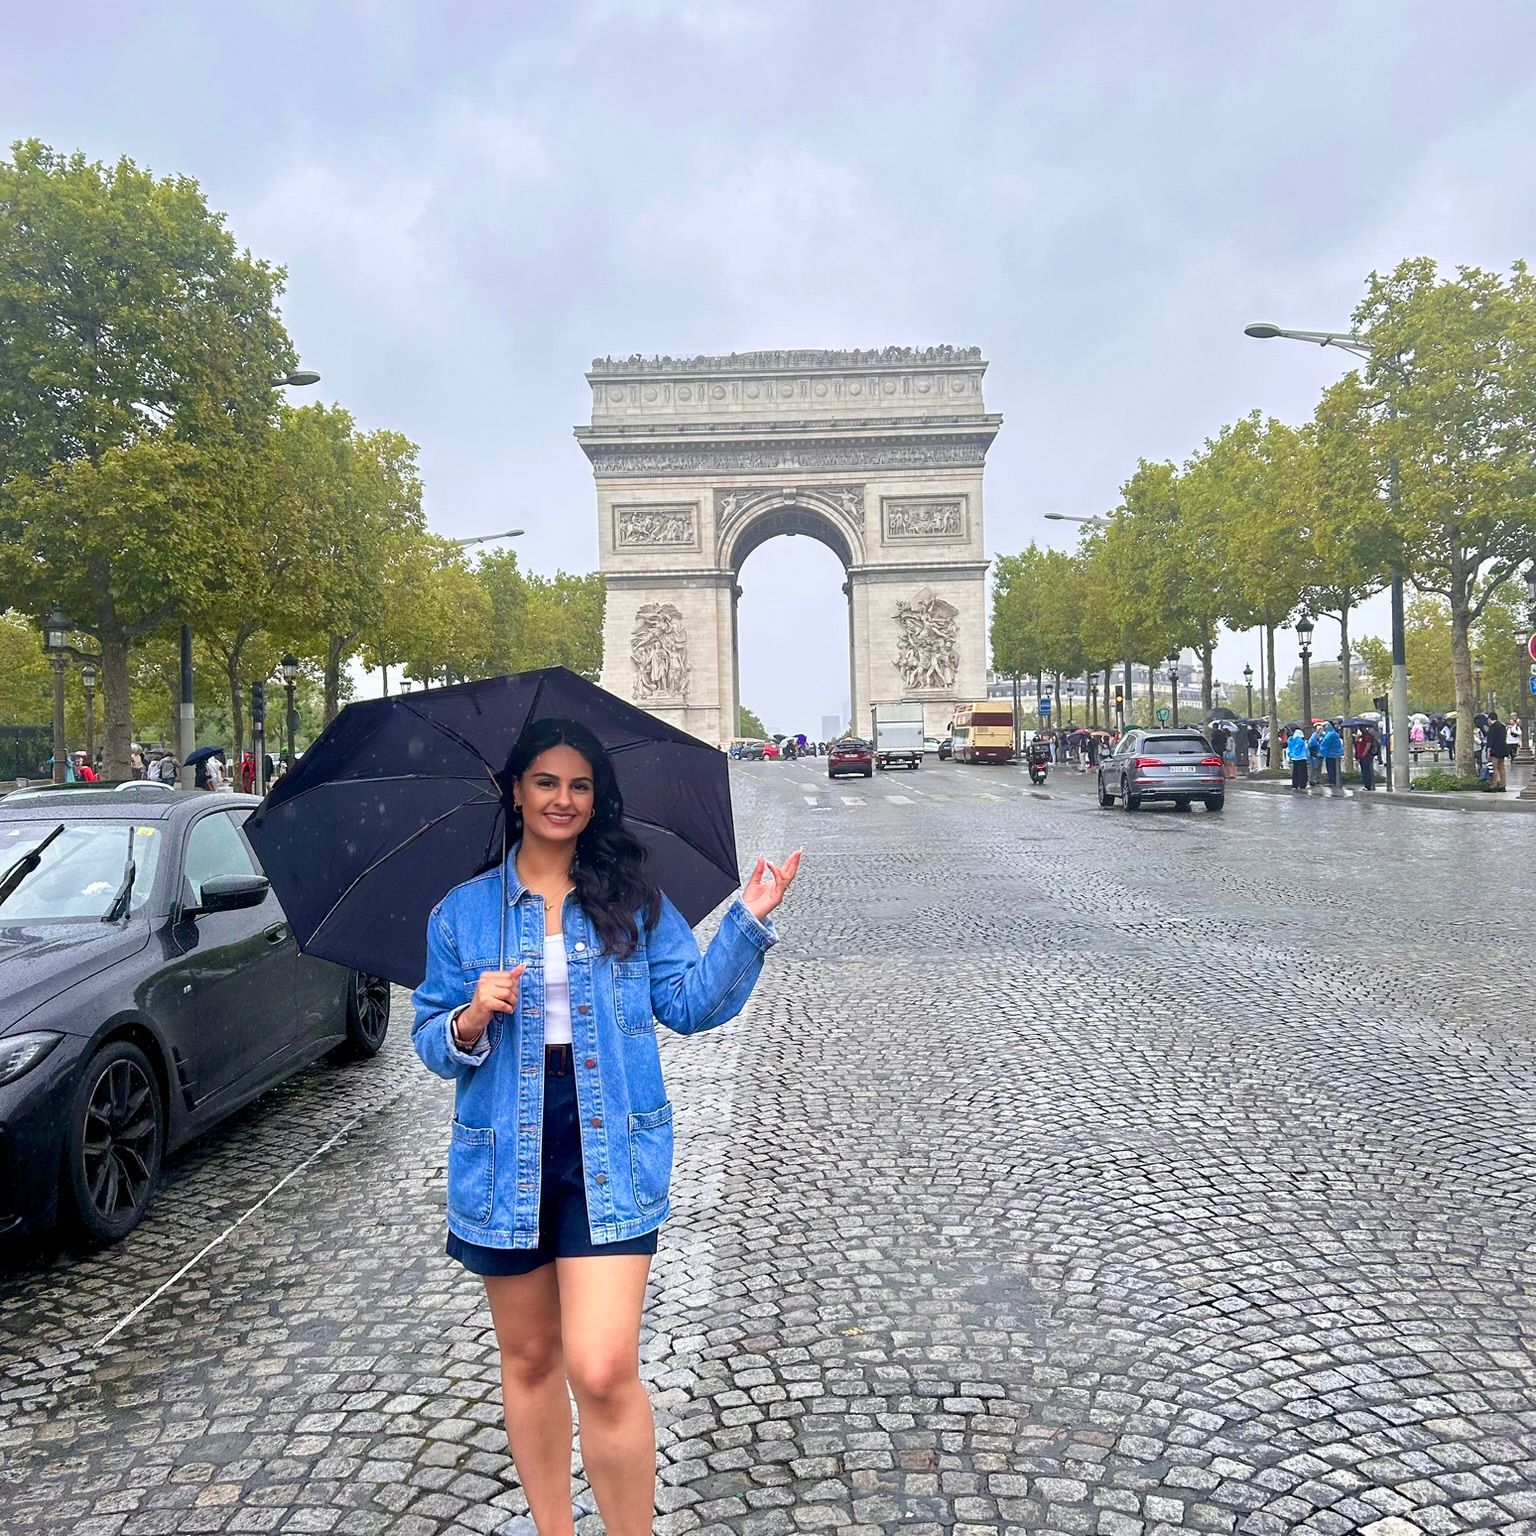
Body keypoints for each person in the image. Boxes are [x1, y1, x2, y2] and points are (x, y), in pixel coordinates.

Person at [411, 718, 801, 1536]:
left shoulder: (634, 900)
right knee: (529, 1360)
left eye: (580, 785)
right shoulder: (461, 914)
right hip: (504, 1152)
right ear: (516, 791)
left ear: (597, 799)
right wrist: (470, 1018)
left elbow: (688, 1005)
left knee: (602, 1365)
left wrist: (748, 920)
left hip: (610, 1144)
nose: (563, 799)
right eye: (547, 782)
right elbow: (430, 1042)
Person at [1486, 710, 1508, 792]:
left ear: (1489, 719)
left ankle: (1493, 785)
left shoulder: (1492, 727)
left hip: (1495, 750)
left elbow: (1490, 740)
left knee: (1494, 768)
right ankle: (1503, 785)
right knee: (1501, 767)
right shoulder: (1502, 726)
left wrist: (1488, 751)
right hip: (1503, 749)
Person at [1319, 721, 1344, 788]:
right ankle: (1335, 781)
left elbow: (1324, 744)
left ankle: (1332, 781)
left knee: (1331, 769)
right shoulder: (1333, 733)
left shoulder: (1330, 735)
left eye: (1324, 726)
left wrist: (1321, 753)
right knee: (1334, 768)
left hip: (1331, 754)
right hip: (1335, 754)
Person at [1354, 724, 1377, 791]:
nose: (1361, 729)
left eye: (1362, 728)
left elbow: (1368, 745)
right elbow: (1358, 744)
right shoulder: (1362, 736)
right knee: (1364, 771)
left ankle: (1368, 785)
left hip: (1366, 756)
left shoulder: (1368, 736)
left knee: (1367, 770)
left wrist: (1364, 754)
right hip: (1361, 756)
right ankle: (1366, 784)